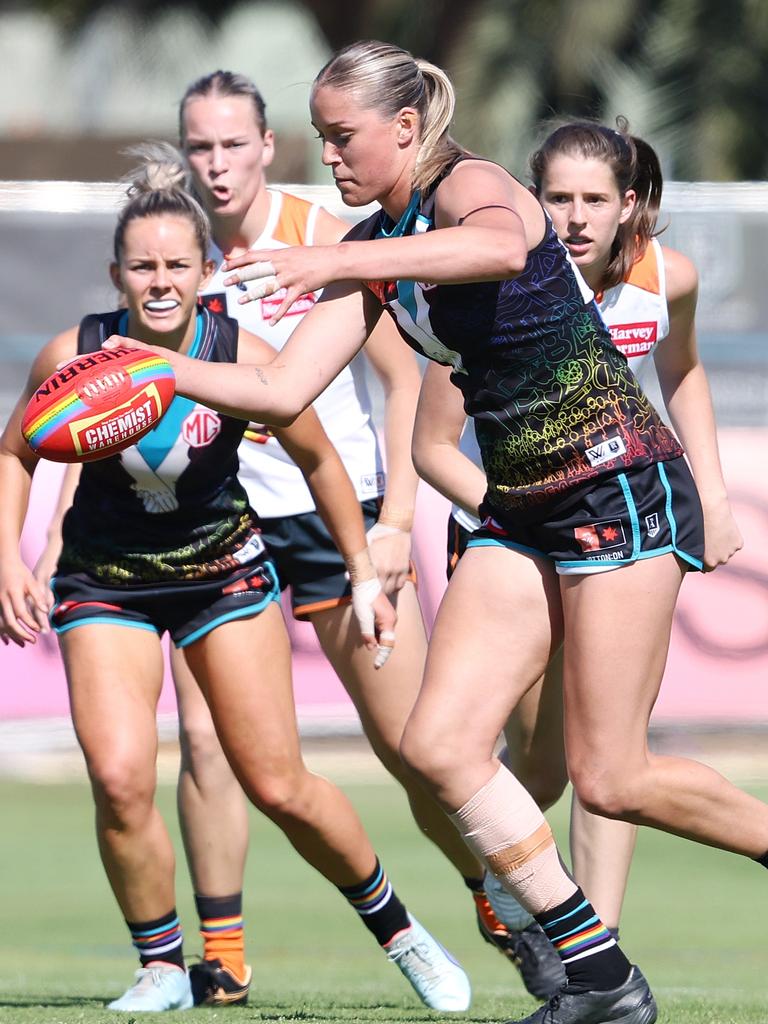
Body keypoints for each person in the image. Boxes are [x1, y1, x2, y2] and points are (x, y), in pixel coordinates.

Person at [103, 41, 768, 1024]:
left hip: (619, 488)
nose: (328, 157)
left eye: (343, 136)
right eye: (323, 137)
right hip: (523, 510)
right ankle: (603, 983)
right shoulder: (379, 245)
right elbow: (281, 388)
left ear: (406, 130)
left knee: (612, 778)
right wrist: (149, 370)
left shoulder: (473, 186)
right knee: (442, 745)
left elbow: (501, 245)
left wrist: (336, 254)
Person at [0, 146, 472, 1014]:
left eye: (179, 264)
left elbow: (322, 461)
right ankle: (162, 969)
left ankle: (407, 938)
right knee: (117, 775)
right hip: (105, 585)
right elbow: (16, 450)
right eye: (142, 266)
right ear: (116, 273)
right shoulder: (78, 353)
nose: (161, 280)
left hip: (224, 578)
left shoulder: (241, 351)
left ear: (206, 269)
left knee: (278, 784)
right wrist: (6, 559)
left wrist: (365, 568)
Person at [169, 69, 510, 1004]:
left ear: (265, 146)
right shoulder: (171, 254)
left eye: (233, 143)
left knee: (412, 749)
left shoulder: (330, 240)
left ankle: (496, 892)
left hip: (342, 515)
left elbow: (404, 385)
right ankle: (224, 959)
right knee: (205, 745)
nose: (216, 162)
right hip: (223, 523)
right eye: (199, 146)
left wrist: (396, 521)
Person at [410, 115, 744, 998]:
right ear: (528, 198)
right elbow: (434, 448)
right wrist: (517, 519)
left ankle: (597, 961)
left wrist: (711, 493)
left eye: (595, 198)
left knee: (612, 767)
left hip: (619, 519)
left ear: (630, 205)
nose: (574, 216)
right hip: (516, 531)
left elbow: (687, 373)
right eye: (555, 196)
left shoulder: (665, 280)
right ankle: (532, 896)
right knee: (542, 767)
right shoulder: (494, 286)